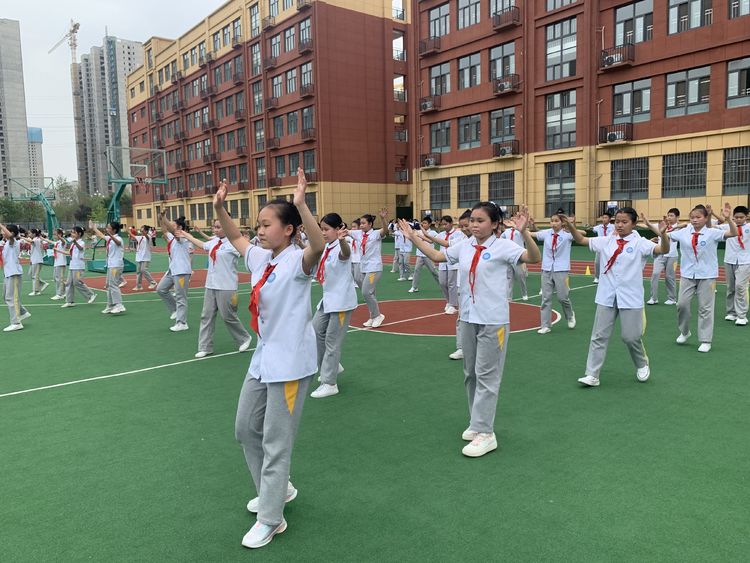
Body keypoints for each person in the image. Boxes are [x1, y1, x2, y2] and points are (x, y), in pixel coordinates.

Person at [214, 169, 324, 549]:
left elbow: (318, 245)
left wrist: (301, 205)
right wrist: (220, 208)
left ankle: (271, 518)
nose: (258, 230)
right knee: (246, 429)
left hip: (290, 365)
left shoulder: (298, 263)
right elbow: (235, 237)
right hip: (263, 359)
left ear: (289, 230)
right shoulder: (262, 259)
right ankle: (278, 489)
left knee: (277, 442)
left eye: (266, 225)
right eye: (258, 225)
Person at [400, 203, 541, 457]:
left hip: (493, 320)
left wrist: (524, 232)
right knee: (471, 373)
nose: (474, 225)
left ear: (495, 224)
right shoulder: (465, 246)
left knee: (487, 375)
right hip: (468, 317)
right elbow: (438, 257)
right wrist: (413, 238)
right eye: (472, 220)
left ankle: (486, 433)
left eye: (480, 220)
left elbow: (533, 258)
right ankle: (477, 422)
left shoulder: (504, 246)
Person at [561, 209, 670, 386]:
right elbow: (581, 240)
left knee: (630, 337)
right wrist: (571, 227)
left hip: (630, 297)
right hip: (607, 295)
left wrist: (663, 235)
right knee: (599, 336)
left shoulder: (640, 243)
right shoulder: (606, 241)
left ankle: (641, 363)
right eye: (617, 221)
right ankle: (592, 374)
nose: (619, 225)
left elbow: (663, 249)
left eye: (624, 222)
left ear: (633, 224)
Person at [172, 219, 253, 358]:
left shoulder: (234, 243)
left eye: (218, 227)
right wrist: (186, 235)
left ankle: (244, 338)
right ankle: (205, 347)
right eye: (214, 227)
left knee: (228, 316)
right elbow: (202, 244)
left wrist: (246, 241)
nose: (215, 230)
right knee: (206, 316)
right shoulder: (215, 241)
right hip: (211, 284)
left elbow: (247, 252)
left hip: (227, 286)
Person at [670, 204, 737, 352]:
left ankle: (706, 340)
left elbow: (733, 233)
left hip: (707, 275)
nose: (694, 220)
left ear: (706, 218)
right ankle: (685, 331)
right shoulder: (683, 232)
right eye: (692, 217)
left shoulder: (712, 233)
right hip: (687, 274)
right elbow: (666, 235)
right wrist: (656, 230)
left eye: (698, 217)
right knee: (682, 304)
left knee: (705, 308)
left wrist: (728, 219)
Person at [310, 213, 357, 398]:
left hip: (341, 302)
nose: (323, 233)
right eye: (321, 229)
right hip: (328, 299)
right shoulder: (327, 247)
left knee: (332, 341)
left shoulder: (341, 245)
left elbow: (345, 254)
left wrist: (342, 240)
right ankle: (333, 366)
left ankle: (330, 383)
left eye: (326, 229)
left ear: (338, 229)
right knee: (315, 331)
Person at [534, 213, 576, 333]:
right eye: (552, 221)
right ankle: (545, 325)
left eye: (556, 221)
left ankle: (570, 315)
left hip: (561, 269)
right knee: (545, 298)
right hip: (546, 268)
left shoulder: (567, 235)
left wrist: (570, 226)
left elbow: (581, 234)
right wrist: (520, 228)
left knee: (562, 297)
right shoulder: (547, 233)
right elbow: (532, 234)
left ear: (562, 222)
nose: (554, 223)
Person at [349, 210, 389, 327]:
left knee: (366, 291)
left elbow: (385, 230)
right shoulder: (358, 234)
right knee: (371, 293)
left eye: (363, 223)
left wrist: (383, 219)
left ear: (370, 224)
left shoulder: (376, 234)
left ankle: (377, 316)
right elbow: (346, 232)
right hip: (363, 268)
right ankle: (372, 317)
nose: (361, 226)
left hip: (374, 268)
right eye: (360, 223)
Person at [421, 216, 465, 314]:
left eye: (446, 224)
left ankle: (453, 305)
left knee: (452, 284)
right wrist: (419, 236)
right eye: (442, 224)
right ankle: (449, 301)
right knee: (442, 282)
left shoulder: (458, 234)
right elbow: (431, 240)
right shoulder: (441, 234)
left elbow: (448, 244)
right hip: (443, 262)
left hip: (453, 262)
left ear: (451, 223)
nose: (444, 226)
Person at [157, 213, 193, 332]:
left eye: (174, 225)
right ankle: (175, 310)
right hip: (172, 270)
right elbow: (164, 230)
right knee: (161, 289)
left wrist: (164, 218)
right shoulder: (173, 238)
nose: (171, 227)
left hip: (181, 271)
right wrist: (161, 219)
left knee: (180, 297)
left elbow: (172, 230)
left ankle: (182, 323)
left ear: (180, 228)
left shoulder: (183, 237)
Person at [718, 205, 749, 326]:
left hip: (745, 261)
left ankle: (742, 315)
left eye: (741, 217)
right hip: (729, 260)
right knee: (731, 288)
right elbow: (711, 227)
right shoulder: (727, 226)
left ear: (747, 216)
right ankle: (731, 312)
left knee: (740, 286)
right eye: (736, 217)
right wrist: (710, 215)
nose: (739, 219)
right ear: (733, 217)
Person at [89, 220, 127, 314]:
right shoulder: (109, 238)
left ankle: (119, 305)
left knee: (113, 285)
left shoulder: (118, 238)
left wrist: (109, 235)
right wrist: (94, 228)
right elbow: (101, 235)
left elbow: (118, 243)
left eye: (109, 228)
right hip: (111, 265)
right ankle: (110, 305)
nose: (107, 229)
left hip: (116, 265)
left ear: (114, 230)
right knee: (109, 285)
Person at [647, 208, 682, 305]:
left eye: (672, 216)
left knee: (669, 277)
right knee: (655, 274)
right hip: (660, 254)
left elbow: (686, 224)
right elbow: (648, 226)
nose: (669, 217)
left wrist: (675, 226)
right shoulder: (662, 225)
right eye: (668, 215)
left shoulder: (679, 228)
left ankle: (672, 298)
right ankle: (653, 298)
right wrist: (641, 222)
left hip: (672, 256)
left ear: (677, 217)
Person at [1, 223, 31, 331]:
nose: (2, 232)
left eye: (4, 230)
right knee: (6, 297)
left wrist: (1, 225)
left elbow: (10, 236)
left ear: (12, 233)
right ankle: (22, 312)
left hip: (14, 273)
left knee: (11, 298)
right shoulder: (7, 243)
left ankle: (16, 322)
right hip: (8, 273)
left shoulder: (13, 242)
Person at [61, 226, 97, 308]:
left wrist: (75, 242)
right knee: (69, 283)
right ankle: (69, 301)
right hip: (72, 265)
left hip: (78, 266)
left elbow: (80, 249)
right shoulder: (73, 244)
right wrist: (60, 251)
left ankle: (91, 295)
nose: (72, 234)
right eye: (72, 232)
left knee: (77, 282)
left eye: (74, 232)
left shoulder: (81, 243)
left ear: (79, 234)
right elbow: (70, 253)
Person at [409, 217, 439, 293]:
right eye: (422, 223)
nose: (423, 224)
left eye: (425, 223)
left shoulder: (433, 233)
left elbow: (432, 241)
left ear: (429, 224)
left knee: (434, 272)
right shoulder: (418, 231)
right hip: (420, 254)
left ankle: (443, 285)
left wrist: (420, 236)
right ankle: (414, 287)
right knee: (416, 270)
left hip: (429, 255)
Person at [500, 221, 528, 300]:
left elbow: (526, 235)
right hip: (508, 256)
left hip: (518, 256)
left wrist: (517, 226)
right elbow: (500, 239)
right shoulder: (506, 232)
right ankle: (509, 297)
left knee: (521, 276)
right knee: (509, 277)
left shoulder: (520, 231)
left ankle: (524, 293)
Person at [131, 225, 157, 291]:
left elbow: (146, 236)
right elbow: (133, 236)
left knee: (144, 270)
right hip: (139, 257)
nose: (141, 231)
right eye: (141, 230)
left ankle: (153, 282)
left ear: (146, 231)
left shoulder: (149, 237)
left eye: (143, 230)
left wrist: (144, 233)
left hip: (146, 257)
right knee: (138, 272)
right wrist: (129, 231)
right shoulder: (141, 237)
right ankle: (138, 286)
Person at [24, 228, 49, 296]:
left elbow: (31, 241)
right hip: (34, 260)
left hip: (37, 260)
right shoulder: (36, 239)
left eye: (30, 233)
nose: (29, 234)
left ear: (34, 234)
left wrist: (21, 237)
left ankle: (36, 291)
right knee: (31, 274)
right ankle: (43, 283)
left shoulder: (36, 239)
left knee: (34, 276)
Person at [591, 213, 614, 283]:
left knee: (611, 262)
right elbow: (592, 229)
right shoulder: (599, 227)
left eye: (606, 218)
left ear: (609, 219)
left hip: (610, 247)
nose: (604, 219)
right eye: (603, 218)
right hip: (600, 247)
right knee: (597, 262)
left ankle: (610, 277)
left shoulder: (613, 227)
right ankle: (597, 277)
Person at [47, 229, 69, 300]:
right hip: (56, 263)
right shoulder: (57, 242)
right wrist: (42, 238)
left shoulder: (63, 242)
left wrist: (60, 237)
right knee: (55, 278)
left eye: (55, 234)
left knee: (59, 279)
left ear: (59, 234)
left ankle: (60, 294)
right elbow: (50, 241)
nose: (54, 236)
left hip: (61, 263)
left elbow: (63, 241)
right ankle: (66, 290)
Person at [349, 218, 362, 288]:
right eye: (352, 227)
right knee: (351, 275)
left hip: (358, 260)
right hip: (351, 259)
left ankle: (364, 287)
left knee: (357, 277)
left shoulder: (361, 237)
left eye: (354, 227)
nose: (352, 228)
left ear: (359, 228)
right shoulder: (350, 237)